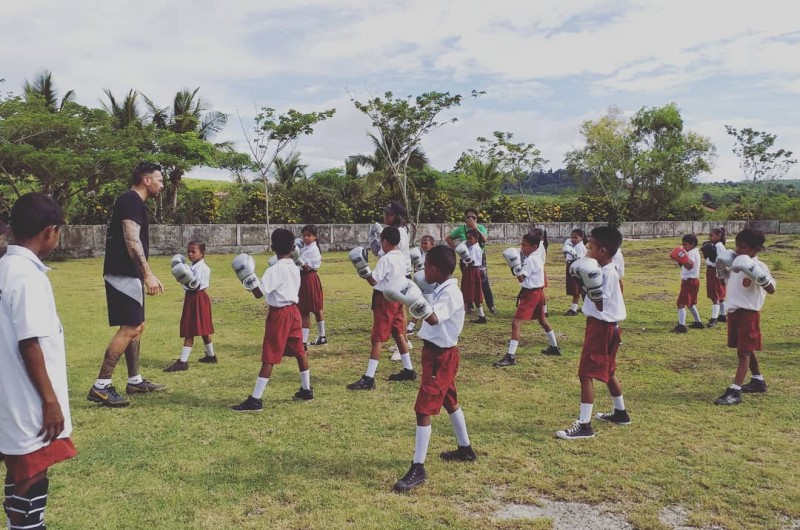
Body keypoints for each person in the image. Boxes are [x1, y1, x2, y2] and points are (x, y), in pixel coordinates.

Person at [0, 193, 77, 530]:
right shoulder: (29, 276)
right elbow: (29, 341)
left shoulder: (5, 267)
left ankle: (20, 521)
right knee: (33, 470)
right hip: (29, 397)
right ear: (49, 232)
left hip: (10, 392)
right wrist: (50, 400)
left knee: (19, 467)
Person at [391, 245, 477, 492]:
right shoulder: (441, 288)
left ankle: (418, 467)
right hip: (435, 353)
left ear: (437, 269)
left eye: (427, 266)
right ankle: (465, 448)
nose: (423, 270)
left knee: (423, 409)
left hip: (442, 356)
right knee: (449, 400)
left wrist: (412, 298)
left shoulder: (451, 294)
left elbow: (434, 318)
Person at [88, 162, 166, 408]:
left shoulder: (133, 201)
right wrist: (148, 275)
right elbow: (132, 240)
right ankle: (101, 386)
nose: (161, 185)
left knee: (137, 326)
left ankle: (134, 380)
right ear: (146, 180)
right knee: (130, 327)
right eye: (159, 180)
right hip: (122, 272)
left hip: (127, 273)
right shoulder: (131, 200)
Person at [556, 226, 629, 440]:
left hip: (601, 327)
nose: (587, 250)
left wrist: (586, 282)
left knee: (586, 374)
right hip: (611, 327)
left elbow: (599, 305)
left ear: (603, 251)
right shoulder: (608, 270)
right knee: (609, 372)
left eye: (591, 247)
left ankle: (585, 425)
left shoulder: (605, 273)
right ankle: (621, 413)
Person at [231, 229, 313, 411]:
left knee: (270, 355)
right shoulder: (294, 266)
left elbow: (259, 293)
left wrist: (246, 278)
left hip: (280, 315)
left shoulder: (274, 270)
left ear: (273, 247)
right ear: (293, 248)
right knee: (300, 351)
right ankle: (307, 390)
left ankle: (255, 400)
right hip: (294, 312)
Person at [347, 226, 415, 389]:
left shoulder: (386, 259)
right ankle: (409, 369)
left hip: (384, 299)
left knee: (377, 337)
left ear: (384, 241)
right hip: (397, 297)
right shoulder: (401, 256)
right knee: (398, 333)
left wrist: (362, 269)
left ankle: (369, 378)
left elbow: (374, 281)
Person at [713, 228, 776, 405]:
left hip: (749, 314)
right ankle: (758, 380)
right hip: (733, 313)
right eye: (737, 246)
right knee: (746, 348)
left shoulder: (759, 267)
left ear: (756, 249)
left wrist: (756, 273)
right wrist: (720, 269)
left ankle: (734, 391)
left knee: (744, 353)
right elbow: (724, 282)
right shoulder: (735, 265)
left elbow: (771, 289)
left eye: (743, 247)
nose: (738, 250)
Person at [495, 232, 561, 368]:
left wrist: (513, 266)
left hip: (531, 294)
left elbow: (521, 278)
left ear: (534, 246)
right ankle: (554, 347)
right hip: (538, 292)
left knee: (516, 322)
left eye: (524, 245)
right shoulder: (536, 257)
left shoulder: (531, 260)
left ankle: (511, 356)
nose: (522, 247)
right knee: (542, 320)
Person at [164, 241, 216, 372]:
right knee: (203, 330)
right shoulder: (190, 266)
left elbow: (195, 285)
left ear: (202, 253)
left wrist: (183, 278)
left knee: (191, 330)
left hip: (198, 298)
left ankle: (183, 362)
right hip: (191, 298)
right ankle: (211, 356)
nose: (190, 254)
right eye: (189, 251)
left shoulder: (203, 268)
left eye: (194, 251)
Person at [446, 208, 495, 313]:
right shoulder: (461, 229)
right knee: (468, 282)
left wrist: (475, 227)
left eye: (474, 217)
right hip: (465, 259)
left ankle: (490, 305)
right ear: (465, 218)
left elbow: (484, 240)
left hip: (479, 258)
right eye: (469, 217)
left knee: (483, 281)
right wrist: (457, 249)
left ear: (477, 219)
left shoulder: (480, 227)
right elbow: (449, 238)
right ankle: (469, 305)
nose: (471, 219)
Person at [297, 225, 327, 348]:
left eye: (308, 235)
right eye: (304, 235)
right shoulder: (304, 247)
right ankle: (322, 336)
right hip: (305, 278)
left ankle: (303, 342)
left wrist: (297, 259)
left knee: (306, 311)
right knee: (316, 308)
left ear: (315, 237)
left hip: (308, 278)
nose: (305, 238)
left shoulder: (313, 250)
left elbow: (308, 267)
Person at [670, 234, 704, 333]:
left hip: (689, 281)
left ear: (692, 244)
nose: (684, 247)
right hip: (693, 281)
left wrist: (680, 259)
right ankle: (698, 322)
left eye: (685, 245)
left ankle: (681, 326)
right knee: (691, 303)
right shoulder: (694, 252)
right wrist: (680, 260)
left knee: (680, 303)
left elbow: (689, 265)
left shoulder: (692, 253)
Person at [406, 235, 435, 336]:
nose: (423, 245)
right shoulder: (417, 253)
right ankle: (412, 326)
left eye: (425, 243)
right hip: (418, 282)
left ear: (432, 244)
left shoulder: (434, 255)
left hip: (429, 283)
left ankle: (412, 326)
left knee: (425, 305)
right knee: (418, 302)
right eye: (422, 243)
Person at [460, 229, 488, 324]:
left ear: (476, 239)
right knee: (473, 292)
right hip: (472, 271)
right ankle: (481, 316)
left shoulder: (475, 248)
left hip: (472, 271)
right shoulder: (473, 247)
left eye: (470, 238)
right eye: (467, 238)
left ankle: (460, 318)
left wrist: (464, 258)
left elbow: (471, 261)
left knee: (468, 293)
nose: (468, 240)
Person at [703, 228, 728, 328]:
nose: (710, 237)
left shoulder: (719, 246)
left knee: (715, 295)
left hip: (715, 272)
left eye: (712, 235)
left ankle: (714, 319)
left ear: (719, 236)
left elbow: (720, 262)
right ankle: (722, 315)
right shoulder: (716, 246)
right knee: (720, 295)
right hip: (714, 271)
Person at [563, 228, 587, 316]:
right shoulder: (572, 246)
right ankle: (585, 306)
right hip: (570, 266)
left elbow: (579, 259)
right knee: (576, 289)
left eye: (575, 237)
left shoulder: (580, 247)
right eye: (572, 237)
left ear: (581, 237)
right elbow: (567, 257)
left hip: (576, 268)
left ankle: (574, 309)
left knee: (576, 289)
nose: (573, 239)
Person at [531, 227, 550, 316]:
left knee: (540, 291)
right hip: (537, 269)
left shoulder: (539, 246)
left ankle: (544, 310)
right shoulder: (540, 245)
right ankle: (541, 309)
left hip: (538, 270)